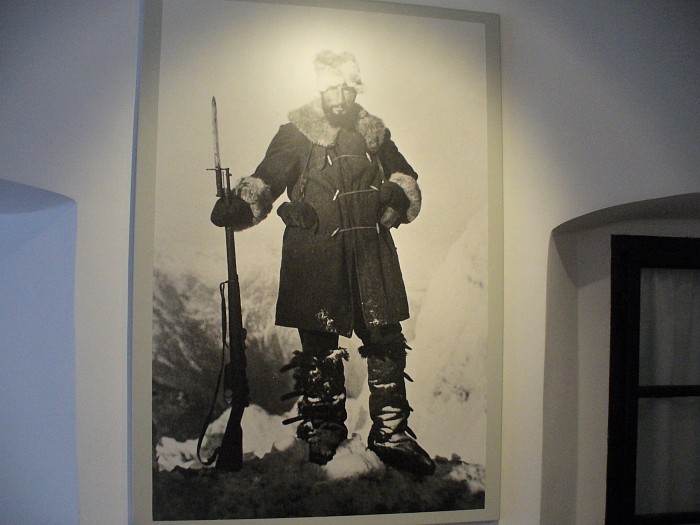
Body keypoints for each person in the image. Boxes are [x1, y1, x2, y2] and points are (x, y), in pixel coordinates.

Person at [211, 50, 435, 476]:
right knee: (319, 347)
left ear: (356, 89)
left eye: (347, 87)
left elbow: (405, 177)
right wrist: (241, 205)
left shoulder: (372, 132)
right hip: (316, 253)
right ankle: (324, 429)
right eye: (332, 87)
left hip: (370, 252)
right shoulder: (297, 133)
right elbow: (269, 177)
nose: (340, 95)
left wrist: (396, 196)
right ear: (319, 89)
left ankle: (391, 432)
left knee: (385, 340)